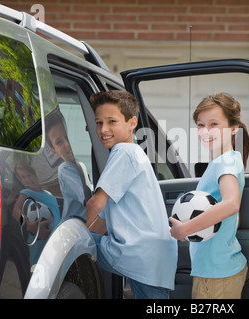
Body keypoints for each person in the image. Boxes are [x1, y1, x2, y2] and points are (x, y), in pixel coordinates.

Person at [86, 90, 177, 299]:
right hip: (153, 255)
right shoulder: (135, 152)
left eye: (111, 121)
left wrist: (78, 235)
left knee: (76, 244)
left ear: (132, 122)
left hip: (139, 255)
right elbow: (102, 221)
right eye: (98, 122)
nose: (103, 129)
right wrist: (89, 231)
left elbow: (95, 203)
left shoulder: (123, 152)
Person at [169, 92, 249, 299]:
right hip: (213, 269)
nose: (206, 131)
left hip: (217, 273)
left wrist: (185, 229)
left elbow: (232, 204)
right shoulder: (222, 161)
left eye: (214, 124)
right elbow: (234, 219)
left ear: (233, 128)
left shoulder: (226, 162)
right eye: (200, 125)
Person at [45, 111, 90, 222]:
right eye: (59, 142)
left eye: (67, 136)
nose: (67, 144)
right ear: (54, 151)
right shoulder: (66, 169)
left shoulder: (82, 163)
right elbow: (90, 199)